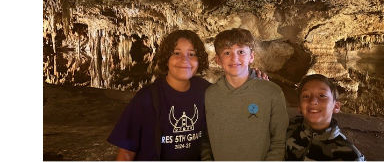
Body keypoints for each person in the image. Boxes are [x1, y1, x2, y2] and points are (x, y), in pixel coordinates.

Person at [107, 30, 210, 160]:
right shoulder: (146, 97)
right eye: (176, 53)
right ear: (166, 58)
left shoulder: (204, 90)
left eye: (191, 54)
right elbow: (126, 152)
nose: (184, 60)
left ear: (199, 59)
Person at [202, 28, 287, 160]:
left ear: (251, 57)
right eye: (227, 52)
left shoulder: (272, 93)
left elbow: (279, 141)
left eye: (241, 51)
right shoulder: (209, 95)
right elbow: (205, 140)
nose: (234, 58)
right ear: (218, 59)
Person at [286, 74, 364, 161]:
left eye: (322, 96)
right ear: (299, 106)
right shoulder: (289, 126)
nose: (313, 101)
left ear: (336, 106)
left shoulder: (350, 156)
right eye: (306, 96)